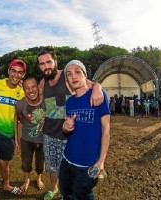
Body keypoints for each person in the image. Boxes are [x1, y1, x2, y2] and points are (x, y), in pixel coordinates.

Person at [37, 46, 104, 200]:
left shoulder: (67, 76)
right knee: (52, 167)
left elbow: (91, 85)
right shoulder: (42, 83)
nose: (46, 66)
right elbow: (36, 100)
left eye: (49, 62)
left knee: (67, 169)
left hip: (68, 135)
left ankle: (65, 193)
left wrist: (98, 88)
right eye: (42, 64)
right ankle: (54, 189)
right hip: (49, 133)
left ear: (55, 61)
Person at [60, 60, 111, 200]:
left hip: (87, 164)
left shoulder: (99, 96)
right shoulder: (69, 102)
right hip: (67, 160)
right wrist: (66, 128)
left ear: (85, 75)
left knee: (82, 196)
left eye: (77, 72)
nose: (73, 76)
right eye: (69, 74)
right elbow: (67, 132)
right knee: (65, 193)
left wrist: (101, 160)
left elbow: (106, 129)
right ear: (67, 80)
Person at [0, 59, 27, 196]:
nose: (16, 75)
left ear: (23, 75)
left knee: (5, 163)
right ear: (8, 71)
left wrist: (15, 138)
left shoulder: (22, 93)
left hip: (8, 135)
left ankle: (6, 185)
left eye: (20, 72)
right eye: (13, 71)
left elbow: (17, 117)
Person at [15, 77, 45, 193]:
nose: (31, 90)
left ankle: (38, 178)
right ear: (23, 90)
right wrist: (17, 139)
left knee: (40, 162)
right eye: (27, 88)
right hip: (26, 139)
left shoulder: (46, 101)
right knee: (26, 162)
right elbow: (20, 119)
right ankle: (26, 180)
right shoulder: (20, 104)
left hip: (43, 140)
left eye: (33, 86)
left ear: (38, 87)